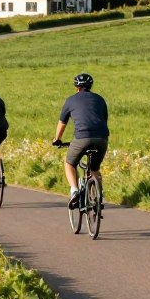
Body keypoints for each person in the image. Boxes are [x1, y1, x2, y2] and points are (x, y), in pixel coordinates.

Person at [52, 73, 110, 209]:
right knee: (95, 169)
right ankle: (98, 198)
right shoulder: (100, 99)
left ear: (76, 87)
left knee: (70, 163)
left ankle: (74, 191)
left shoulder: (71, 100)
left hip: (82, 138)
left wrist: (57, 140)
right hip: (101, 138)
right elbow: (104, 120)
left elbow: (62, 122)